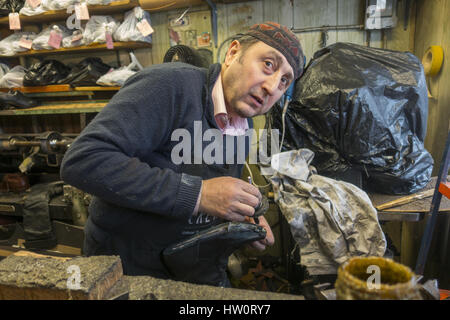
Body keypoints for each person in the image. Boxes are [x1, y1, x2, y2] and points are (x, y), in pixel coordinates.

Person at [60, 21, 304, 286]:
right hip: (131, 269)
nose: (272, 86)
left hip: (193, 270)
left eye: (284, 81)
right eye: (268, 64)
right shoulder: (169, 85)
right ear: (233, 53)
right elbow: (84, 159)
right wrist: (199, 194)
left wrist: (244, 215)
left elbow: (212, 183)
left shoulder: (244, 125)